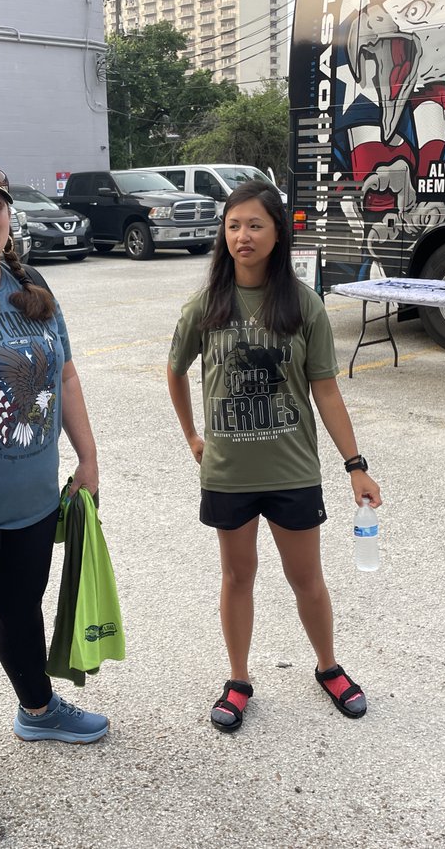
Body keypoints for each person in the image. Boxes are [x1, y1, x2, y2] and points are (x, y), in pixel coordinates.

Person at [166, 180, 383, 733]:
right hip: (230, 474)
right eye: (234, 224)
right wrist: (193, 436)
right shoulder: (207, 304)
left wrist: (355, 465)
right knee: (238, 577)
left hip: (292, 470)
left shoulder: (302, 303)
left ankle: (328, 667)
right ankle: (238, 680)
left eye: (255, 225)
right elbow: (175, 370)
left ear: (277, 232)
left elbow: (326, 390)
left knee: (306, 579)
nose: (243, 235)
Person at [0, 157, 109, 744]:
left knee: (20, 609)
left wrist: (87, 456)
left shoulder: (33, 288)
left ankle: (37, 711)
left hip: (33, 499)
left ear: (9, 216)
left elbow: (65, 376)